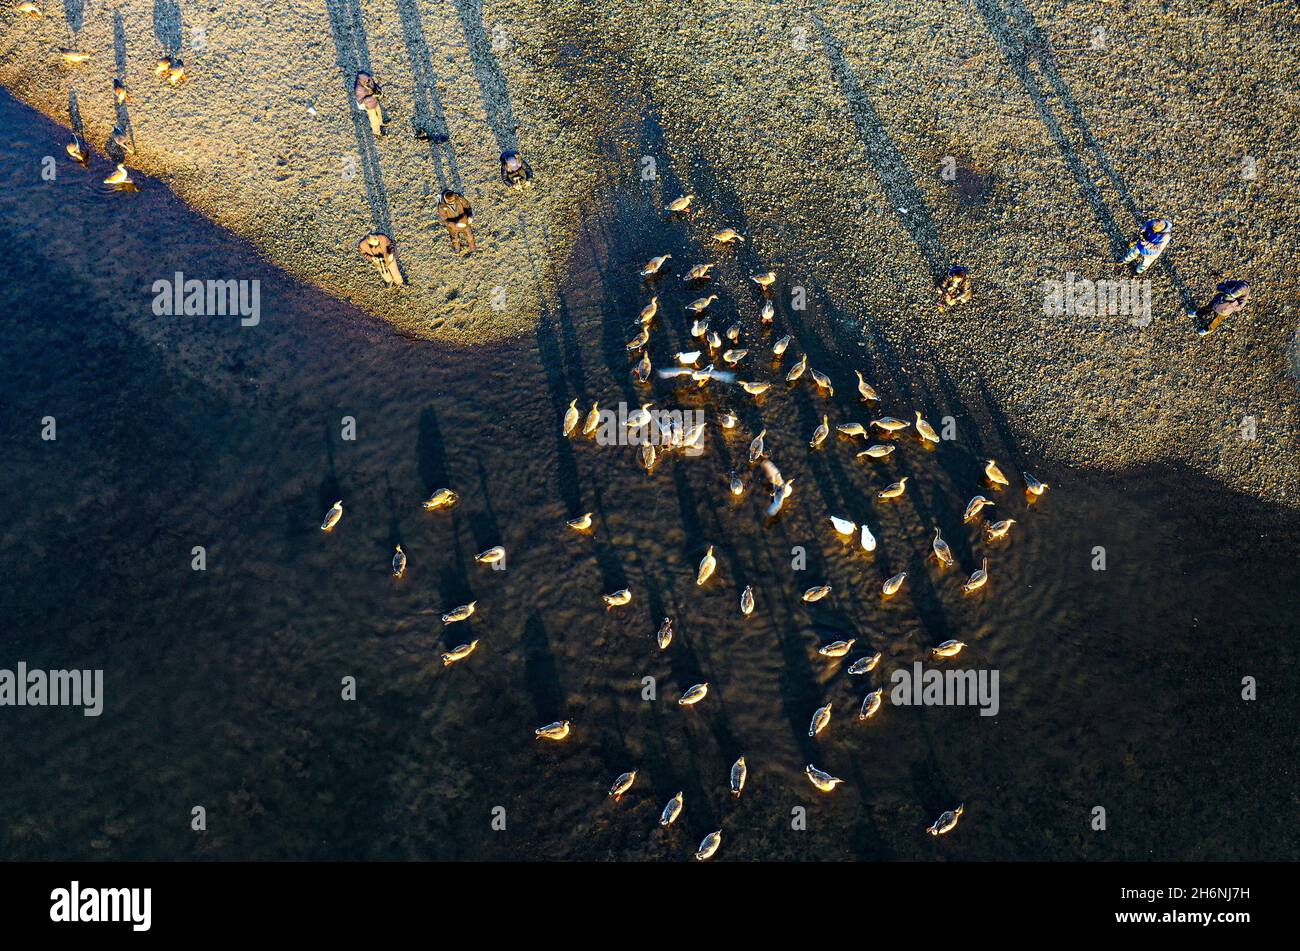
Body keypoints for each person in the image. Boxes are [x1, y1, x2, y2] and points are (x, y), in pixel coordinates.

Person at [437, 189, 476, 253]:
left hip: (464, 222)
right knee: (455, 238)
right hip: (453, 227)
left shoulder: (459, 198)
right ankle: (457, 248)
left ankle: (472, 247)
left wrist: (470, 216)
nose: (453, 203)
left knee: (470, 235)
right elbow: (444, 220)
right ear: (446, 200)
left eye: (454, 201)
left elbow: (467, 206)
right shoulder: (441, 206)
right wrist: (455, 224)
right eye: (451, 203)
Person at [353, 71, 384, 138]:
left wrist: (380, 91)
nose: (368, 81)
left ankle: (381, 123)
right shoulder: (358, 89)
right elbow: (362, 100)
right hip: (368, 105)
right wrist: (373, 96)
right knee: (374, 119)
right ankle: (377, 133)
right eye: (366, 80)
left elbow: (375, 85)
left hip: (374, 101)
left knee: (379, 112)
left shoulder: (368, 80)